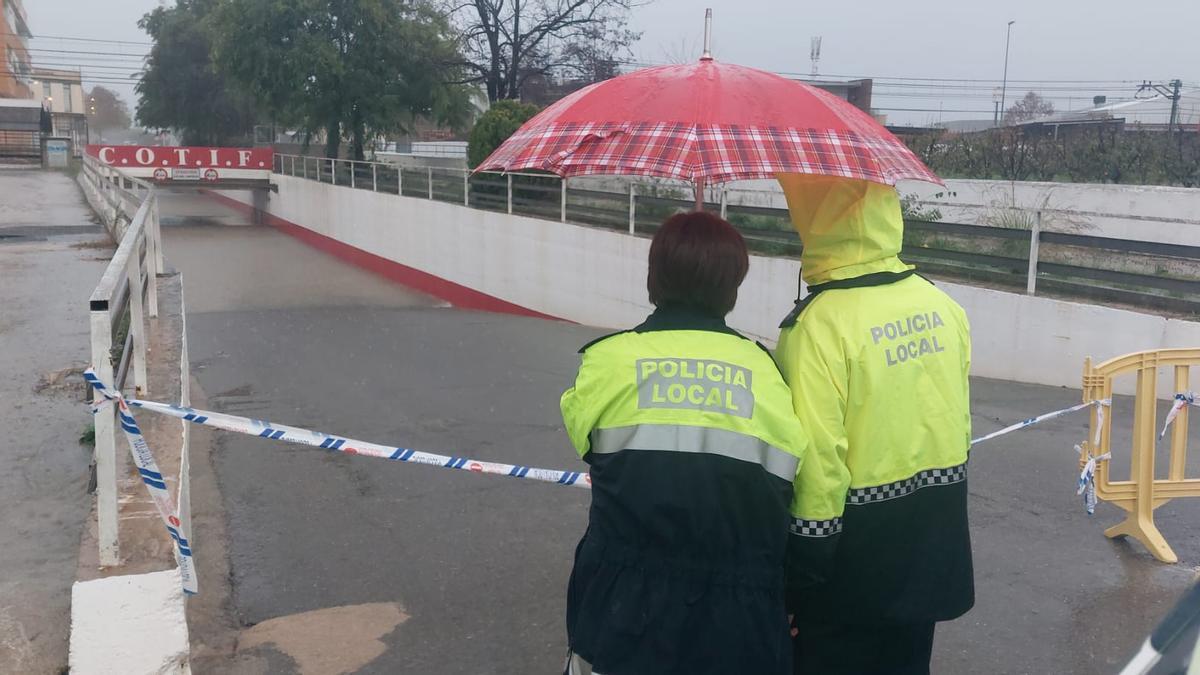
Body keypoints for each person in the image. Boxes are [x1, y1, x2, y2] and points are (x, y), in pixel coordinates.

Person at [559, 211, 810, 675]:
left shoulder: (607, 361)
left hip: (621, 604)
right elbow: (792, 478)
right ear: (731, 288)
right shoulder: (767, 373)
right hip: (741, 615)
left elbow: (586, 444)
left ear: (653, 277)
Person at [773, 176, 974, 675]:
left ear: (814, 222)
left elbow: (817, 465)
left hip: (851, 564)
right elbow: (955, 422)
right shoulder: (942, 307)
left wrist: (800, 574)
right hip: (932, 542)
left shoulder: (816, 328)